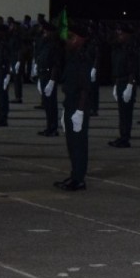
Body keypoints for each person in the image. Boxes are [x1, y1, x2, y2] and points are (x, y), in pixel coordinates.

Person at [56, 21, 92, 190]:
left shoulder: (82, 59)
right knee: (71, 142)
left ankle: (79, 178)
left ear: (79, 39)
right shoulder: (71, 56)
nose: (67, 40)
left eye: (71, 38)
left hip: (79, 104)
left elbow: (85, 87)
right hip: (70, 101)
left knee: (78, 143)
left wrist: (79, 111)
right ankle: (74, 175)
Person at [109, 23, 140, 148]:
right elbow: (117, 69)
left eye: (121, 34)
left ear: (127, 35)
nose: (119, 35)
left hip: (127, 82)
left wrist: (130, 86)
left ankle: (125, 138)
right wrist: (116, 85)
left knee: (126, 113)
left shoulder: (131, 49)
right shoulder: (119, 48)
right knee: (122, 113)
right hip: (120, 81)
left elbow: (133, 69)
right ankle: (122, 136)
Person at [35, 20, 60, 136]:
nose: (43, 33)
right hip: (43, 75)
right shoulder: (44, 44)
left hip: (49, 76)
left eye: (45, 31)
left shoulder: (55, 45)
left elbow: (56, 64)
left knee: (51, 104)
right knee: (47, 104)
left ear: (51, 32)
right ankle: (49, 126)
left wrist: (52, 81)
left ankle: (53, 128)